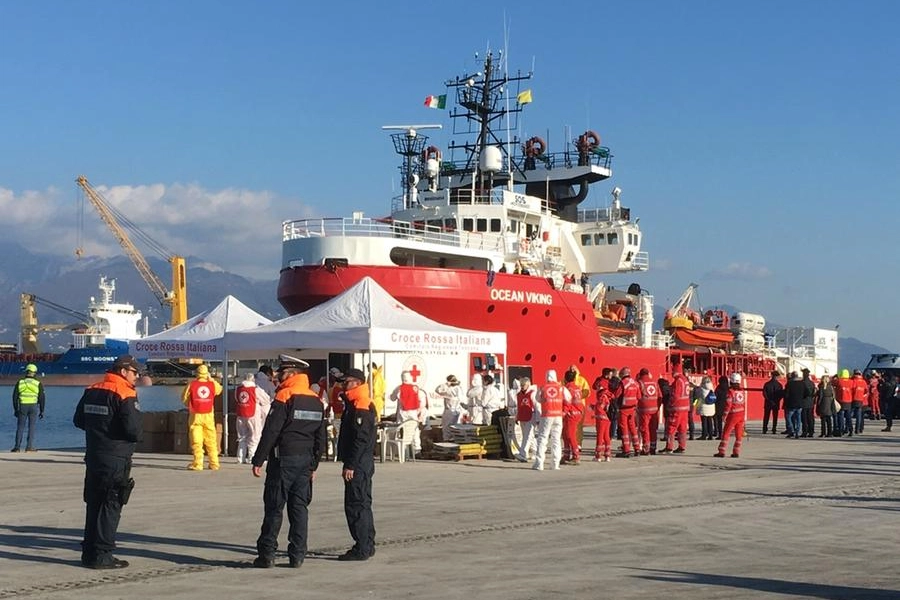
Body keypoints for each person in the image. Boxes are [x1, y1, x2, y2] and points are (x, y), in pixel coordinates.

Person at [251, 354, 326, 568]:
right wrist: (314, 464)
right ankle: (297, 555)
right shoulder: (315, 400)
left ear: (292, 374)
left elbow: (271, 431)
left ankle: (267, 555)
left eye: (282, 372)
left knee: (274, 507)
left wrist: (258, 459)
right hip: (305, 462)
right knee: (299, 508)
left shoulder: (285, 396)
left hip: (283, 460)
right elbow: (320, 438)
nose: (277, 375)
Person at [73, 354, 143, 569]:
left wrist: (100, 431)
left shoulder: (92, 389)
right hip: (116, 457)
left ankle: (89, 553)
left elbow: (78, 421)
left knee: (94, 503)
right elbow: (133, 431)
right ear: (123, 371)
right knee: (111, 504)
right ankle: (103, 555)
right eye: (134, 372)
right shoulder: (125, 392)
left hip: (94, 454)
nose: (137, 376)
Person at [336, 367, 377, 560]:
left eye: (347, 382)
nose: (343, 385)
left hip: (359, 463)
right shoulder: (355, 403)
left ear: (358, 383)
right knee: (363, 503)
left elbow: (360, 439)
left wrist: (350, 465)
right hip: (363, 462)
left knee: (356, 504)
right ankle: (367, 543)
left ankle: (362, 546)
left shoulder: (360, 404)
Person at [182, 364, 223, 471]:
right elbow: (219, 390)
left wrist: (192, 404)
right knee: (211, 441)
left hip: (195, 416)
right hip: (209, 416)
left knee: (196, 441)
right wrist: (211, 379)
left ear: (197, 373)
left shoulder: (192, 384)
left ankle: (198, 464)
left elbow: (184, 399)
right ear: (206, 374)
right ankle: (214, 463)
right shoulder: (212, 384)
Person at [532, 369, 569, 471]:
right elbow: (568, 399)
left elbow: (537, 399)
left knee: (543, 438)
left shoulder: (543, 388)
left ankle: (539, 464)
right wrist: (564, 411)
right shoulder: (561, 388)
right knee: (556, 440)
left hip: (547, 415)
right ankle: (555, 464)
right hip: (558, 416)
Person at [235, 372, 272, 464]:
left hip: (240, 414)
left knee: (242, 437)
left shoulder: (238, 389)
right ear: (253, 379)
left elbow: (236, 399)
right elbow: (266, 400)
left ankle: (240, 458)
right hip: (253, 414)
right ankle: (252, 457)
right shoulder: (256, 389)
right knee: (255, 436)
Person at [11, 363, 46, 452]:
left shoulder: (20, 382)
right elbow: (42, 398)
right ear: (35, 373)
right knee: (31, 427)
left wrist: (16, 409)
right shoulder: (38, 383)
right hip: (33, 407)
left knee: (20, 427)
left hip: (22, 406)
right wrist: (42, 410)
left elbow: (14, 397)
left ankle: (17, 447)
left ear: (26, 372)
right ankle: (29, 447)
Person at [714, 373, 747, 458]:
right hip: (741, 415)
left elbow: (728, 405)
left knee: (726, 433)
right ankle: (736, 452)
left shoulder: (730, 392)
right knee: (738, 435)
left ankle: (721, 451)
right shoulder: (742, 391)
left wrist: (724, 415)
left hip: (733, 415)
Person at [514, 376, 539, 462]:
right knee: (528, 436)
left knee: (527, 436)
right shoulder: (518, 394)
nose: (522, 386)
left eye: (524, 384)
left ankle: (523, 453)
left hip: (530, 416)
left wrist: (538, 419)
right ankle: (536, 451)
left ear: (528, 384)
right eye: (521, 384)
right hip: (522, 416)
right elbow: (519, 406)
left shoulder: (532, 393)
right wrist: (517, 417)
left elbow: (537, 406)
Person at [435, 375, 462, 441]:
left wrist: (444, 384)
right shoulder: (459, 388)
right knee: (454, 426)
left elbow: (437, 390)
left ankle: (446, 439)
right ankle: (453, 438)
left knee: (446, 427)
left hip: (449, 410)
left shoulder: (450, 390)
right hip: (456, 410)